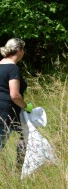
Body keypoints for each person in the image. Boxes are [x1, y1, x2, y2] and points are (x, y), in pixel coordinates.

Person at [0, 38, 33, 169]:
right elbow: (14, 95)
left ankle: (20, 169)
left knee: (26, 136)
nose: (24, 52)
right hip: (6, 113)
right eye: (23, 49)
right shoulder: (13, 68)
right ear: (19, 50)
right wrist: (26, 106)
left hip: (11, 113)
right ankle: (20, 169)